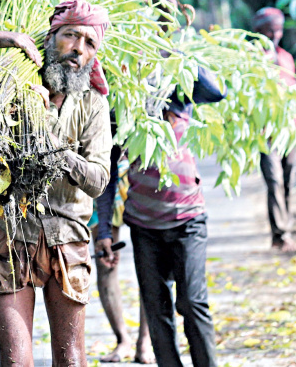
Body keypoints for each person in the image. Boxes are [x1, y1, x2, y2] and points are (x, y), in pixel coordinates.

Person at [0, 0, 112, 367]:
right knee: (15, 361)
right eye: (70, 35)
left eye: (89, 43)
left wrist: (46, 137)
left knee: (71, 359)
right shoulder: (8, 80)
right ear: (50, 36)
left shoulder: (93, 104)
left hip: (68, 238)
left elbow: (98, 180)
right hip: (10, 234)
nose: (78, 48)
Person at [98, 64, 226, 367]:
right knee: (156, 309)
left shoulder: (178, 91)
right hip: (144, 225)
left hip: (189, 220)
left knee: (192, 303)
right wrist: (103, 230)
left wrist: (178, 59)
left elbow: (217, 92)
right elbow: (108, 176)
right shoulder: (121, 111)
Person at [91, 130, 154, 364]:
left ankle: (144, 341)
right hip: (103, 162)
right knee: (105, 261)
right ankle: (123, 340)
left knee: (150, 263)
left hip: (139, 163)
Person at [252, 7, 296, 252]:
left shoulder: (287, 58)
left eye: (279, 29)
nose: (276, 34)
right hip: (265, 132)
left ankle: (286, 228)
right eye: (271, 29)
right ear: (259, 31)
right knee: (275, 181)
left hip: (289, 130)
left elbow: (291, 87)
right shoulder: (252, 59)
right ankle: (279, 234)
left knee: (288, 180)